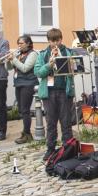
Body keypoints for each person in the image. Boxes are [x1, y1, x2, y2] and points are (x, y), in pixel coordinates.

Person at [34, 28, 76, 160]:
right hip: (49, 92)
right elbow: (38, 73)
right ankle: (50, 149)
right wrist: (49, 64)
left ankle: (67, 148)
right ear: (48, 41)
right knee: (51, 123)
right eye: (52, 41)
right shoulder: (43, 54)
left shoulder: (68, 52)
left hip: (64, 91)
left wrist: (63, 59)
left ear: (61, 39)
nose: (55, 44)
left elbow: (74, 69)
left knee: (66, 122)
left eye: (57, 40)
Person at [11, 35, 38, 144]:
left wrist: (13, 59)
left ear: (28, 43)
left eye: (21, 43)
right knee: (21, 110)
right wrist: (10, 60)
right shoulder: (19, 55)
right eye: (18, 43)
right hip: (19, 83)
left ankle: (27, 134)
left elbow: (25, 68)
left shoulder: (33, 54)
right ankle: (26, 133)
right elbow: (9, 68)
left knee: (25, 110)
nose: (19, 46)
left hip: (29, 84)